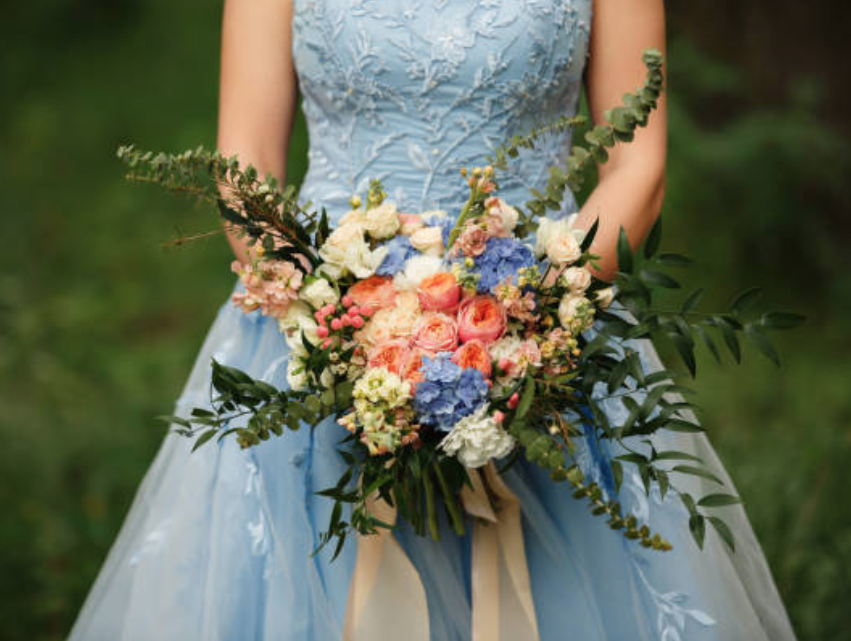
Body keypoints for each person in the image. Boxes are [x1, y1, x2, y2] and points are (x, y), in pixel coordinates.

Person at [69, 0, 796, 639]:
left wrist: (534, 322)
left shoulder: (538, 328)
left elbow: (636, 164)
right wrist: (330, 318)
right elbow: (245, 160)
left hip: (541, 337)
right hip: (316, 335)